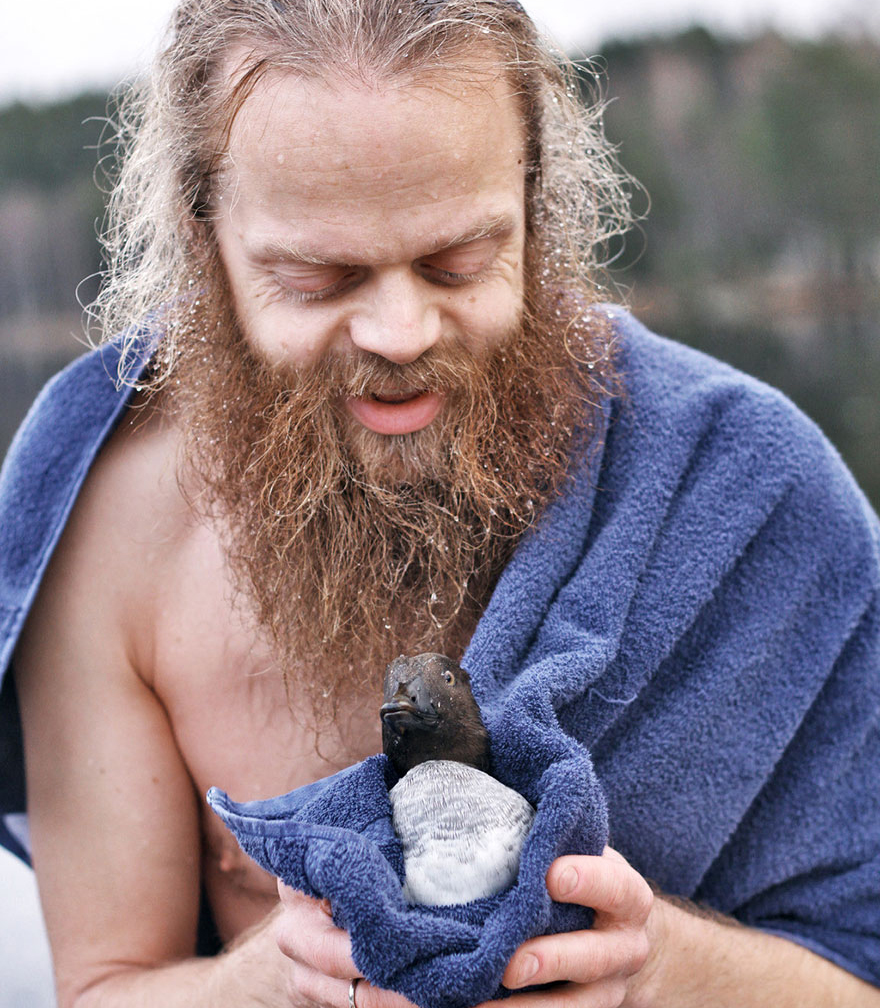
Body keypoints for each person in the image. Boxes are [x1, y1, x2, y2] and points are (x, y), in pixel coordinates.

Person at [0, 1, 877, 1006]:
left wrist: (664, 972)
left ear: (535, 204)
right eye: (319, 279)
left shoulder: (747, 494)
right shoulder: (112, 525)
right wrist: (268, 980)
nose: (400, 329)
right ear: (207, 243)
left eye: (456, 261)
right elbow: (103, 988)